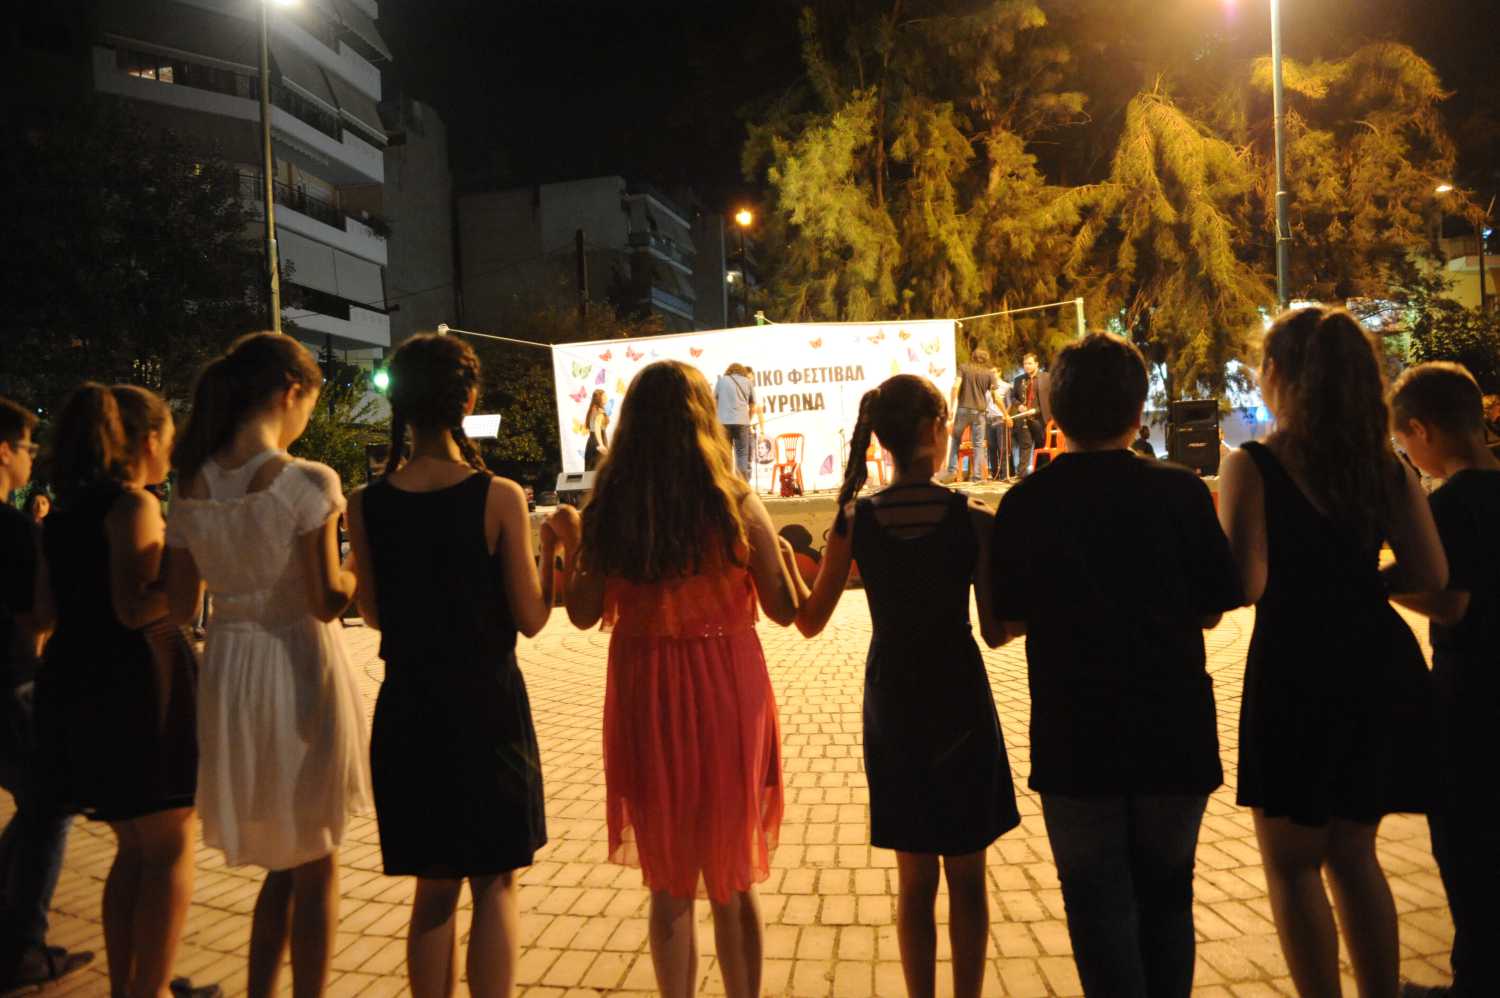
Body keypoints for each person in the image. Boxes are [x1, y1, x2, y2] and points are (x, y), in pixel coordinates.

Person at [989, 333, 1241, 996]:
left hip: (1075, 736)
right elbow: (1214, 609)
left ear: (1055, 411)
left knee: (1096, 906)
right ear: (1137, 412)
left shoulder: (1026, 502)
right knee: (1169, 898)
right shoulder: (1182, 492)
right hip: (1174, 730)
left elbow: (1005, 623)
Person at [1217, 307, 1447, 998]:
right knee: (1355, 854)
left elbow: (1246, 584)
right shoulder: (1385, 467)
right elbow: (1431, 573)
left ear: (1278, 374)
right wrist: (1366, 583)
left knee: (1292, 866)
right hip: (1375, 662)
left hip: (1294, 667)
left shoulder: (1254, 466)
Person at [563, 360, 803, 998]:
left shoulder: (611, 507)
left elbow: (582, 613)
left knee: (669, 882)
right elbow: (784, 610)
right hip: (727, 685)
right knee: (733, 875)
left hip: (647, 688)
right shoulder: (733, 500)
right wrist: (782, 557)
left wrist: (567, 546)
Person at [346, 334, 575, 998]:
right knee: (495, 880)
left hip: (408, 707)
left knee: (433, 886)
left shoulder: (367, 503)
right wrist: (556, 553)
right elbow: (531, 618)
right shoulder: (496, 496)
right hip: (487, 707)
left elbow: (375, 617)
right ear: (467, 402)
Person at [164, 333, 373, 998]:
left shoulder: (191, 484)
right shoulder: (307, 482)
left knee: (285, 859)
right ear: (291, 392)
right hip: (295, 663)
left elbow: (178, 605)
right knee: (317, 859)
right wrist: (359, 566)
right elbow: (325, 601)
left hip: (230, 665)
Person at [796, 375, 1019, 998]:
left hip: (893, 703)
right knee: (968, 878)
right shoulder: (973, 520)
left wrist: (777, 566)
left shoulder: (855, 521)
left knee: (915, 881)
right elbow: (995, 632)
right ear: (933, 431)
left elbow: (809, 620)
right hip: (960, 700)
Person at [33, 384, 211, 998]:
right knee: (168, 847)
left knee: (133, 848)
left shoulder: (63, 514)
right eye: (170, 438)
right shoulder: (133, 505)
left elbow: (44, 612)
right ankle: (149, 990)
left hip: (79, 681)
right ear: (147, 440)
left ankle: (128, 988)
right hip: (138, 685)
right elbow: (137, 609)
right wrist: (188, 562)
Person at [1388, 362, 1500, 998]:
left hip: (1471, 697)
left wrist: (1385, 584)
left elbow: (1450, 601)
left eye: (1404, 438)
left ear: (1423, 431)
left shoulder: (1450, 505)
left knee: (1468, 851)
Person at [0, 396, 93, 993]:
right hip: (9, 682)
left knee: (38, 802)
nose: (31, 457)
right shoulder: (11, 529)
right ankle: (22, 948)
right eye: (27, 446)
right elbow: (38, 616)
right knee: (52, 803)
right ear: (3, 451)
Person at [943, 348, 1009, 483]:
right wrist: (1006, 414)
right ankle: (977, 477)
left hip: (963, 410)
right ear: (986, 359)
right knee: (978, 445)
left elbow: (955, 387)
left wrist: (951, 408)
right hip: (980, 412)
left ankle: (951, 471)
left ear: (972, 357)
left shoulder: (963, 368)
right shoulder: (989, 374)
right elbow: (996, 397)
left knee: (956, 440)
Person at [1007, 352, 1050, 476]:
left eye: (1030, 363)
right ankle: (1022, 474)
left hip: (1041, 418)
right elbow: (1013, 397)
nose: (1027, 366)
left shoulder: (1047, 377)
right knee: (1025, 445)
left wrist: (1037, 410)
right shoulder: (1018, 379)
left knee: (1041, 446)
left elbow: (1052, 397)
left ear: (1036, 364)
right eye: (1025, 364)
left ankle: (1041, 472)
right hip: (1024, 418)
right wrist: (1019, 406)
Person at [714, 363, 758, 479]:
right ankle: (742, 484)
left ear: (729, 370)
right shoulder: (748, 382)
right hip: (742, 423)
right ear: (742, 371)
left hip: (723, 423)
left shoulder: (721, 381)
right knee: (742, 455)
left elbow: (714, 402)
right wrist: (748, 419)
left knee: (725, 454)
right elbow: (753, 406)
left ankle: (726, 483)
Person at [985, 368, 1013, 480]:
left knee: (1003, 448)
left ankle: (1004, 474)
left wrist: (1006, 416)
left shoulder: (1006, 386)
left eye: (994, 372)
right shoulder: (986, 386)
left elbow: (1009, 404)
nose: (992, 374)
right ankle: (994, 474)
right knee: (991, 448)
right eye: (990, 372)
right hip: (988, 419)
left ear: (999, 372)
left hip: (1000, 419)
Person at [583, 389, 609, 471]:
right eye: (604, 396)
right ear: (599, 398)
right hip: (598, 441)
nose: (606, 398)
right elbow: (597, 428)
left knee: (590, 471)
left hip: (591, 442)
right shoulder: (599, 412)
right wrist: (601, 445)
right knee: (600, 471)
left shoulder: (592, 409)